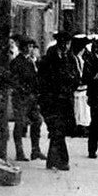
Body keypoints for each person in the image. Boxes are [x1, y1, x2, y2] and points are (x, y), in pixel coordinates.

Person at [39, 31, 79, 171]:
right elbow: (43, 80)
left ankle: (53, 161)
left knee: (59, 131)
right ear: (59, 43)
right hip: (51, 101)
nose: (66, 46)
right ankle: (62, 160)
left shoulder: (70, 58)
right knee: (57, 130)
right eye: (64, 43)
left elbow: (76, 77)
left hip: (65, 100)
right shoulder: (49, 58)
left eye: (68, 43)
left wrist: (69, 86)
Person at [9, 38, 44, 162]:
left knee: (37, 120)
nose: (29, 49)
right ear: (22, 47)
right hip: (21, 97)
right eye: (27, 46)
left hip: (32, 98)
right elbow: (14, 81)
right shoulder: (17, 62)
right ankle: (19, 152)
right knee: (20, 124)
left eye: (31, 46)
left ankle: (36, 150)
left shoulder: (31, 61)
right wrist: (23, 91)